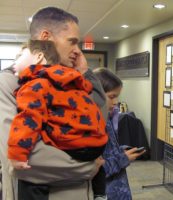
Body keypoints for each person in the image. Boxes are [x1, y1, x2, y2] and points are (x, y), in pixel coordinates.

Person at [0, 7, 107, 200]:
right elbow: (29, 161)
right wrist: (91, 166)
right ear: (46, 37)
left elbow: (96, 122)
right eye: (72, 42)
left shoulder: (66, 80)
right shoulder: (8, 83)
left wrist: (84, 73)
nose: (77, 50)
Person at [93, 68, 145, 200]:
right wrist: (123, 158)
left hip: (119, 190)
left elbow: (108, 153)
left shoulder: (107, 118)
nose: (116, 102)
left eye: (117, 96)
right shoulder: (91, 126)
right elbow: (94, 170)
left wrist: (121, 151)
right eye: (112, 97)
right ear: (97, 94)